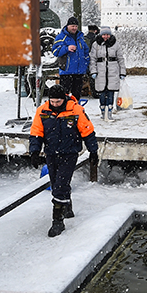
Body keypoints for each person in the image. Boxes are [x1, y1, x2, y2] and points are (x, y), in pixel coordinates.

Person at [29, 84, 99, 237]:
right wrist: (34, 151)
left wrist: (93, 151)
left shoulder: (76, 110)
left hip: (70, 153)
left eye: (58, 102)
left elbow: (87, 130)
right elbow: (36, 131)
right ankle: (67, 206)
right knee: (56, 184)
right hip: (51, 153)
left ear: (64, 99)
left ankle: (57, 221)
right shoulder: (43, 111)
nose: (55, 105)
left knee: (60, 184)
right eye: (52, 102)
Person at [89, 25, 126, 121]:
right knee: (101, 93)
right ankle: (102, 111)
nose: (106, 37)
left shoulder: (115, 44)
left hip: (112, 71)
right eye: (104, 35)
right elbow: (92, 59)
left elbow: (120, 59)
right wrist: (93, 71)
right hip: (100, 72)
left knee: (110, 93)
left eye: (107, 35)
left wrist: (122, 72)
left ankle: (109, 111)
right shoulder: (96, 45)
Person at [52, 16, 90, 100]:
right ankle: (65, 112)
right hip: (66, 72)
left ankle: (75, 111)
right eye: (72, 26)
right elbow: (55, 51)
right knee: (64, 96)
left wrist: (85, 62)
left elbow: (86, 51)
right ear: (68, 26)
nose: (74, 28)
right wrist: (66, 48)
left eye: (76, 26)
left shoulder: (80, 38)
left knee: (76, 96)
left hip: (79, 73)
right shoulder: (61, 37)